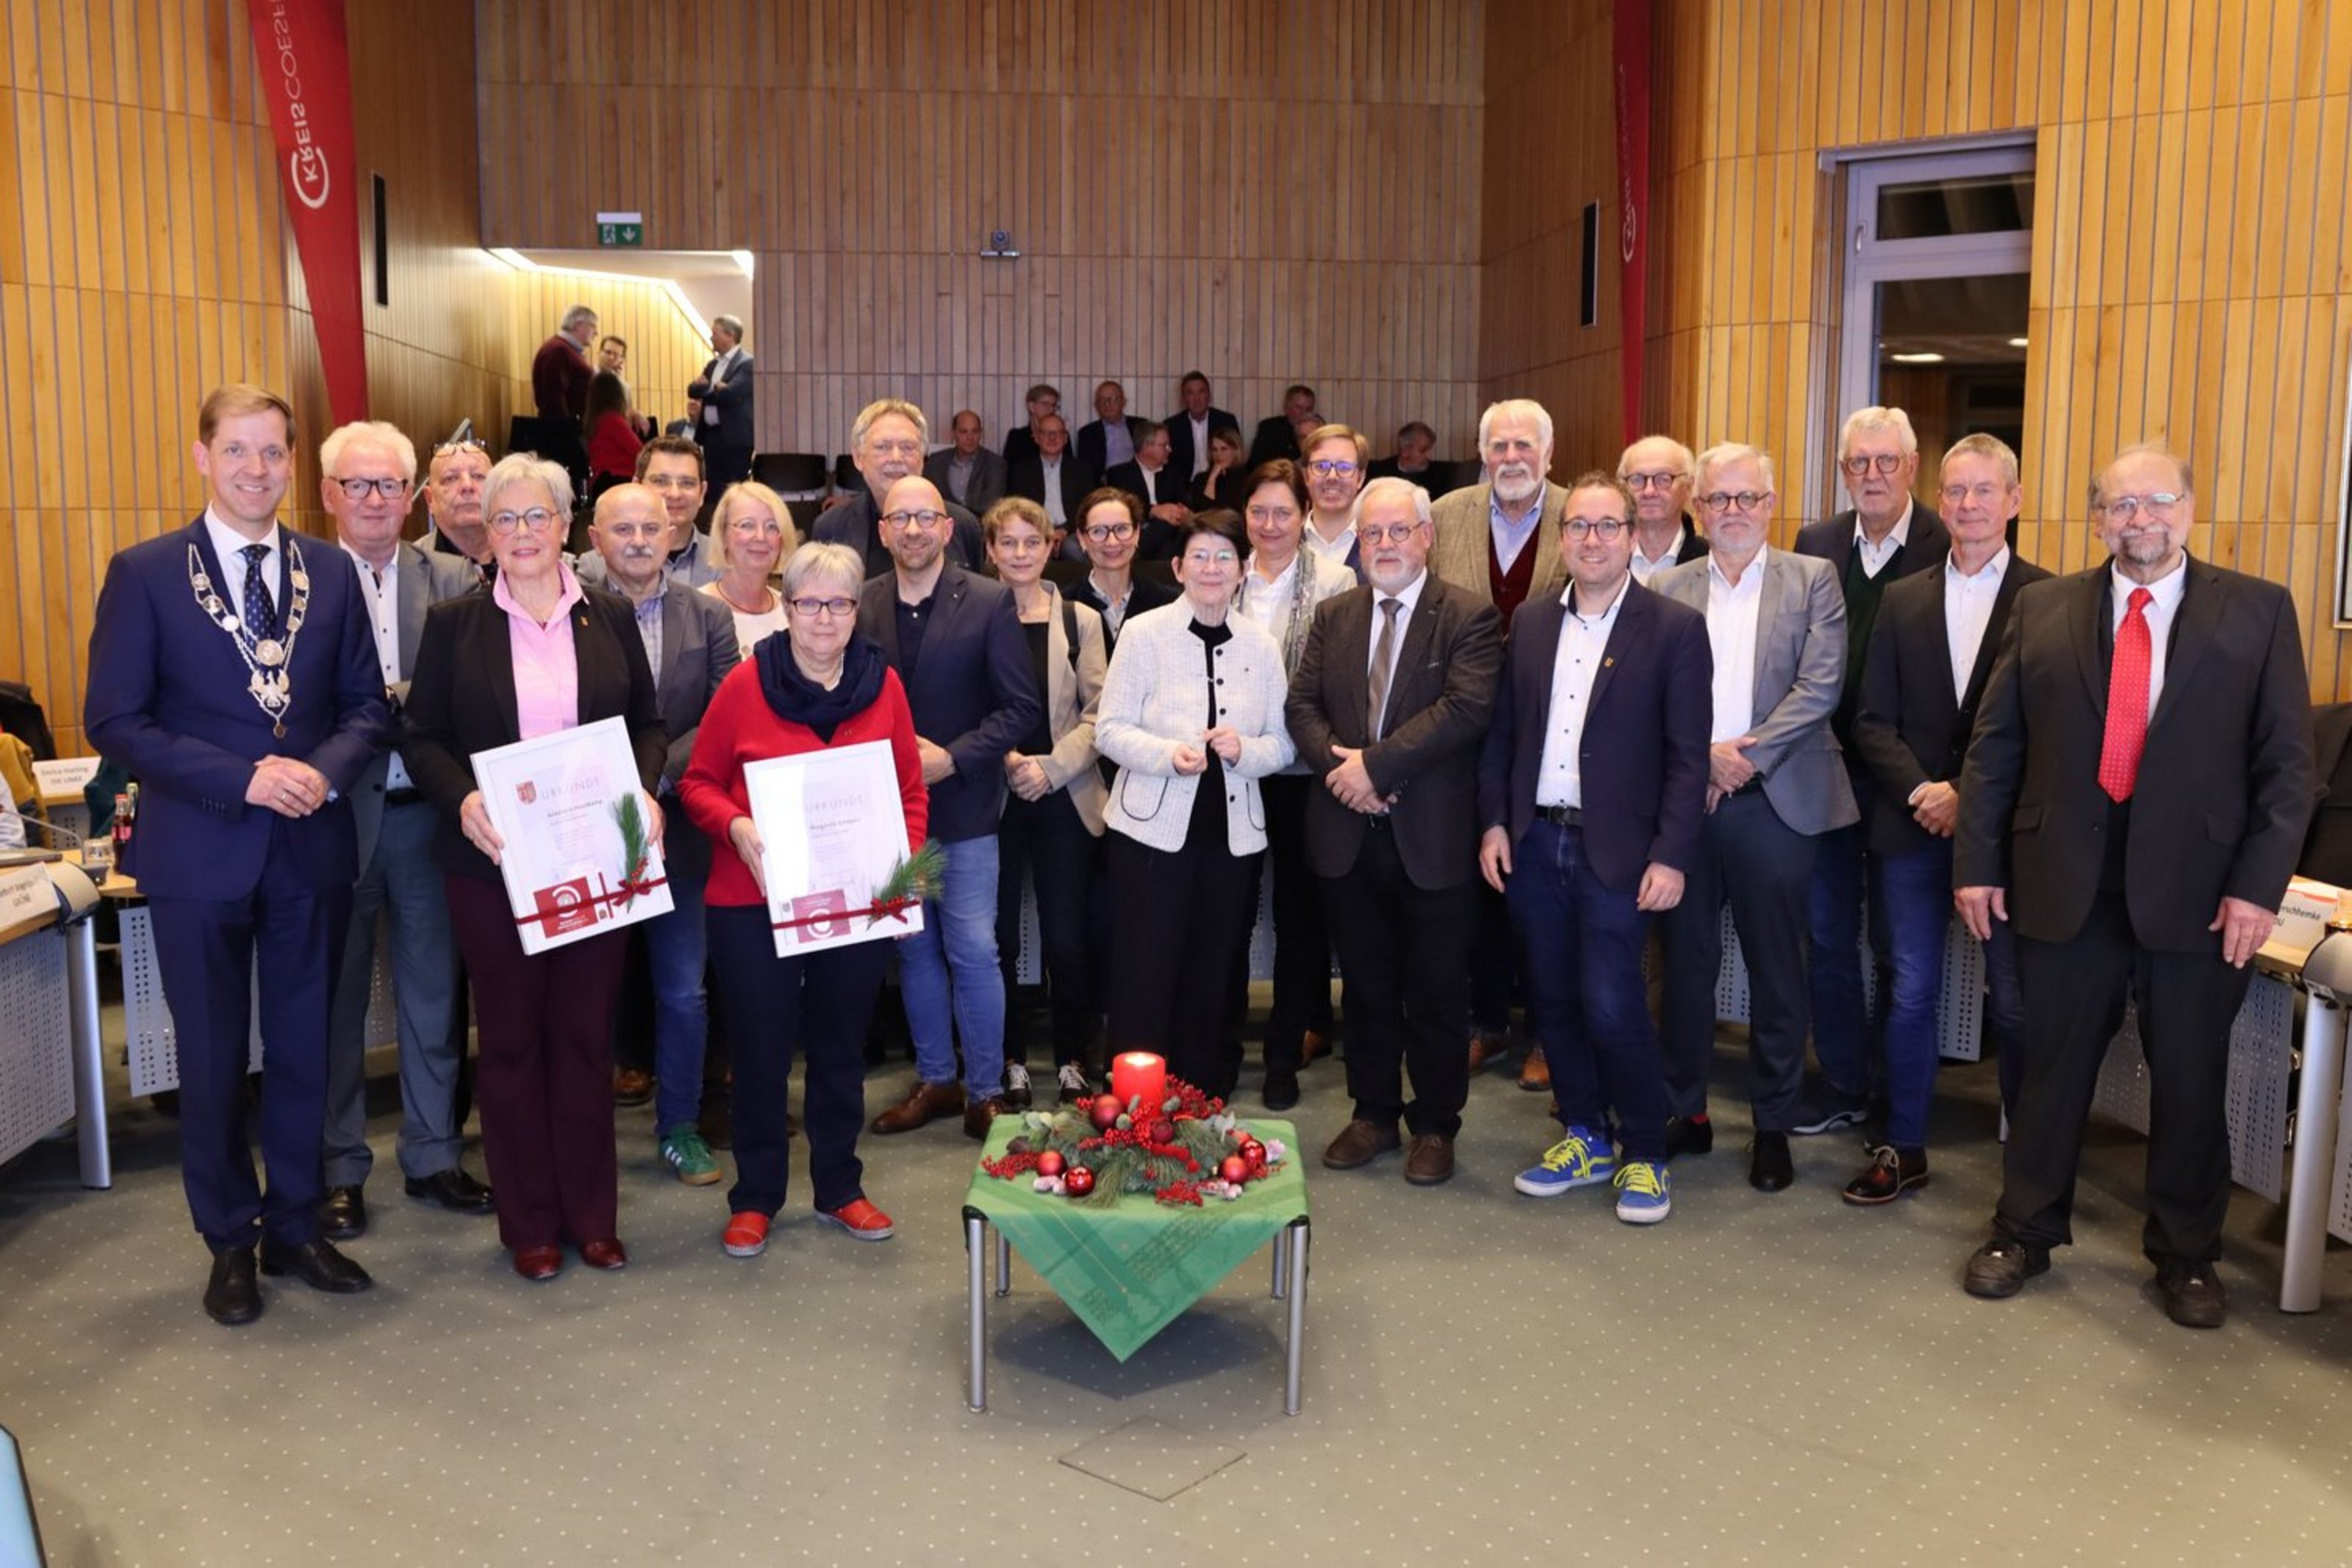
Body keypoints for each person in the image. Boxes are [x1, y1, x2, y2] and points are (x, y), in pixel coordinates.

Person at [1954, 444, 2315, 1328]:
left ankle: (2186, 1255)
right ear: (2094, 518)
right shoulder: (2041, 609)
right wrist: (1974, 863)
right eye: (2119, 506)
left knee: (2191, 1077)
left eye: (2155, 502)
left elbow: (2286, 768)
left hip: (2198, 894)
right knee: (2048, 1070)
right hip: (2062, 881)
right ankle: (2024, 1228)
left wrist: (2256, 890)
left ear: (2187, 508)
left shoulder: (2257, 612)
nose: (2138, 519)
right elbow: (1993, 750)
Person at [85, 384, 390, 1325]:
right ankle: (230, 1240)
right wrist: (244, 778)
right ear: (201, 456)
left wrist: (317, 774)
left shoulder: (331, 575)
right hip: (198, 853)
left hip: (310, 846)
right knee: (213, 1059)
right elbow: (116, 719)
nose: (257, 470)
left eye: (273, 453)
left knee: (305, 1048)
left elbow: (368, 709)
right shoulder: (143, 573)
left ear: (294, 464)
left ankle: (297, 1226)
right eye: (238, 451)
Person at [401, 454, 669, 1283]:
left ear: (564, 526)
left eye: (536, 516)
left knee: (584, 1040)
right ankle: (530, 1225)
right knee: (513, 1044)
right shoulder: (454, 625)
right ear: (487, 531)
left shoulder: (612, 616)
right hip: (494, 866)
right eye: (504, 519)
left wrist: (647, 793)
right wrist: (460, 801)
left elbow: (648, 724)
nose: (520, 533)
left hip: (596, 859)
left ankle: (593, 1217)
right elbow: (421, 737)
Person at [680, 541, 925, 1256]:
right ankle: (756, 1195)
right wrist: (736, 825)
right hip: (749, 901)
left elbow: (909, 792)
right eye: (809, 602)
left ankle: (838, 1186)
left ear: (857, 611)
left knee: (840, 1047)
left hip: (852, 902)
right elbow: (696, 782)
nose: (823, 617)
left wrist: (898, 866)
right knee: (758, 1051)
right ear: (786, 609)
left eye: (839, 603)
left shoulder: (885, 688)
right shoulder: (745, 686)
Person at [1477, 473, 1710, 1223]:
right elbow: (1505, 735)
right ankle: (1585, 1133)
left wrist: (1670, 854)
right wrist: (1494, 823)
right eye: (1577, 525)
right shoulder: (1533, 624)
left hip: (1618, 852)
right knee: (1551, 1002)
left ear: (1632, 534)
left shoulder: (1672, 628)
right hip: (1534, 840)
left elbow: (1686, 757)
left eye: (1605, 525)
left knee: (1612, 1005)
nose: (1590, 539)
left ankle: (1643, 1148)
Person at [1650, 444, 1857, 1191]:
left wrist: (1743, 755)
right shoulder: (1667, 586)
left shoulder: (1813, 579)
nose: (1731, 512)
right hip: (1689, 801)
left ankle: (1772, 1123)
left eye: (1746, 498)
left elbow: (1820, 685)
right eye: (1717, 500)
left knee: (1778, 971)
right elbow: (1656, 692)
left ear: (1771, 504)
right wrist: (1701, 758)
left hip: (1777, 799)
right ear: (1695, 509)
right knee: (1684, 969)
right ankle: (1687, 1113)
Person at [1845, 434, 2043, 1206]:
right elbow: (1869, 719)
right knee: (1907, 988)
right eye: (1954, 491)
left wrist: (1967, 792)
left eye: (1983, 491)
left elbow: (2048, 729)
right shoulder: (1902, 597)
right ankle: (1902, 1144)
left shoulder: (2048, 597)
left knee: (2016, 997)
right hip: (1909, 828)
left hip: (2002, 837)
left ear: (2013, 501)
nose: (1966, 505)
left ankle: (2030, 1158)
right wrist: (1925, 792)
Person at [1288, 477, 1502, 1182]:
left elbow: (1465, 710)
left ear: (1426, 536)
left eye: (1398, 531)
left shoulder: (1468, 616)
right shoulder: (1334, 614)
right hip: (1348, 836)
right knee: (1368, 985)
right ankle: (1373, 1112)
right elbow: (1303, 708)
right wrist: (1341, 771)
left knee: (1438, 990)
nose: (1385, 545)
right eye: (1372, 533)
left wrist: (1374, 768)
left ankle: (1436, 1126)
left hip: (1432, 837)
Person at [318, 419, 492, 1244]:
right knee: (336, 1006)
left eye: (390, 484)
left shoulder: (459, 576)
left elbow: (475, 690)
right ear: (330, 496)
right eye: (359, 485)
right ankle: (338, 1168)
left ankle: (432, 1156)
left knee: (431, 1002)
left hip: (428, 821)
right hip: (331, 823)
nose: (376, 500)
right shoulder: (301, 580)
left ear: (412, 495)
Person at [858, 475, 1041, 1137]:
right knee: (913, 951)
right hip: (884, 814)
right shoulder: (860, 602)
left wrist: (954, 757)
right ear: (883, 531)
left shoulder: (990, 601)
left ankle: (985, 1089)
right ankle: (936, 1080)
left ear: (946, 527)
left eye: (924, 517)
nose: (911, 529)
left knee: (971, 949)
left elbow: (1021, 707)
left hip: (963, 808)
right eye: (898, 517)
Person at [1097, 511, 1297, 1099]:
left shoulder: (1261, 645)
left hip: (1231, 837)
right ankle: (1138, 1096)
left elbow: (1283, 743)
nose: (1212, 569)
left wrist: (1244, 751)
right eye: (1199, 558)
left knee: (1216, 968)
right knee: (1145, 967)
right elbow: (1109, 730)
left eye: (1224, 558)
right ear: (1179, 568)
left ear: (1242, 571)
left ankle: (1202, 1093)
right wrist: (1166, 755)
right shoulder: (1144, 633)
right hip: (1149, 835)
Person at [1793, 406, 1951, 1135]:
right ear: (1841, 470)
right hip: (1822, 773)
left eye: (1885, 461)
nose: (1872, 475)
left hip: (1904, 783)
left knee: (1896, 950)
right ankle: (1842, 1082)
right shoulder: (1815, 542)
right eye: (1858, 462)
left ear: (1911, 466)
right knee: (1826, 938)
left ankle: (1896, 1093)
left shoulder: (1943, 542)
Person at [585, 481, 741, 1187]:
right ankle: (580, 1131)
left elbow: (724, 713)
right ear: (595, 539)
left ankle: (679, 1126)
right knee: (586, 990)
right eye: (624, 529)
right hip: (586, 828)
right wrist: (616, 787)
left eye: (652, 528)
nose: (641, 541)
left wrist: (648, 780)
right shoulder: (564, 611)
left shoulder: (708, 616)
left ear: (673, 534)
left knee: (683, 990)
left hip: (679, 827)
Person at [1430, 398, 1575, 1090]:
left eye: (1525, 446)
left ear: (1550, 453)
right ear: (1482, 452)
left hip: (1553, 732)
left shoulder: (1582, 514)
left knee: (1542, 885)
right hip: (1461, 732)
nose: (1511, 458)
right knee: (1475, 888)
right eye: (1499, 446)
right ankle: (1484, 1022)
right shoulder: (1446, 513)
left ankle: (1547, 1033)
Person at [1234, 460, 1356, 1109]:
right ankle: (1224, 1048)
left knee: (1298, 921)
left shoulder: (1336, 580)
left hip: (1304, 774)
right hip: (1233, 774)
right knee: (1229, 913)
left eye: (1284, 512)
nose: (1271, 525)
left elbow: (1335, 684)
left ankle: (1285, 1053)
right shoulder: (1224, 575)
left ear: (1302, 513)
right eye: (1259, 513)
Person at [982, 497, 1110, 1107]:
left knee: (1068, 937)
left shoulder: (1081, 620)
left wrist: (1050, 768)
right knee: (997, 937)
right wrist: (1007, 760)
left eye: (1030, 542)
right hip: (995, 792)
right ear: (990, 551)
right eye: (1007, 543)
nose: (1019, 554)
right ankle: (1007, 1059)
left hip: (1064, 791)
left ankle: (1071, 1059)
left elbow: (1100, 714)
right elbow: (968, 706)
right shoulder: (975, 616)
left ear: (1050, 546)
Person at [814, 398, 984, 576]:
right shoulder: (831, 527)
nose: (896, 458)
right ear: (858, 458)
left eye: (908, 447)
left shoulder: (963, 525)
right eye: (883, 447)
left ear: (923, 459)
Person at [578, 436, 722, 591]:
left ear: (702, 493)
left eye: (687, 483)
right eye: (661, 481)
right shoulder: (596, 566)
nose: (675, 494)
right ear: (637, 486)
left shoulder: (726, 562)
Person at [1065, 487, 1176, 659]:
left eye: (1122, 529)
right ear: (1081, 538)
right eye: (1099, 531)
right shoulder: (1063, 606)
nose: (1112, 542)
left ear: (1137, 533)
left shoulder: (1168, 604)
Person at [703, 481, 796, 652]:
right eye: (747, 525)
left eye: (772, 527)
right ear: (723, 535)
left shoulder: (793, 613)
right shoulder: (696, 610)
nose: (761, 537)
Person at [1617, 434, 1710, 583]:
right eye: (1637, 479)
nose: (1649, 491)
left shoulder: (1709, 561)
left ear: (1689, 487)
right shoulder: (1602, 557)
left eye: (1663, 479)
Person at [687, 313, 755, 492]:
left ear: (730, 335)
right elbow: (692, 390)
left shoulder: (747, 363)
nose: (711, 338)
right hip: (710, 436)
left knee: (732, 489)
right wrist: (716, 387)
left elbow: (731, 394)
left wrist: (709, 388)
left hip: (734, 439)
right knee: (711, 487)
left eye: (715, 333)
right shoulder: (713, 365)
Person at [531, 305, 598, 483]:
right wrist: (571, 436)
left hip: (567, 431)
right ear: (578, 325)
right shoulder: (558, 351)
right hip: (562, 436)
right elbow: (554, 399)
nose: (596, 332)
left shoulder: (564, 350)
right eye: (593, 326)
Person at [1006, 412, 1097, 541]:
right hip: (1035, 531)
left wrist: (1065, 530)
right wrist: (1044, 531)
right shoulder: (1022, 471)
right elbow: (1018, 507)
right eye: (1046, 433)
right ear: (1036, 437)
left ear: (1066, 438)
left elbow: (1088, 507)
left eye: (1058, 433)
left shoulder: (1082, 469)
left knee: (1074, 550)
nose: (1052, 438)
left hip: (1072, 532)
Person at [1300, 424, 1371, 581]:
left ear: (1360, 478)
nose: (1332, 476)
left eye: (1344, 467)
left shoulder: (1379, 544)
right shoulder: (1284, 541)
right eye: (1321, 466)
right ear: (1306, 476)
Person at [420, 435, 495, 582]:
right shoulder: (406, 570)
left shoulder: (532, 554)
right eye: (451, 478)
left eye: (478, 476)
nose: (467, 486)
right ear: (430, 500)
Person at [1102, 421, 1191, 545]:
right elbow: (1123, 509)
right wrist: (1154, 511)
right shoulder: (1119, 474)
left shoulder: (1174, 473)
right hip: (1134, 532)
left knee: (1166, 530)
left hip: (1169, 532)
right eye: (1164, 445)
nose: (1170, 450)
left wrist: (1183, 512)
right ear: (1146, 447)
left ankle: (1135, 557)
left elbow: (1184, 502)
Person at [923, 410, 1010, 517]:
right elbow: (926, 498)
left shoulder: (995, 464)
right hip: (941, 525)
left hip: (980, 528)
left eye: (975, 431)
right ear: (953, 433)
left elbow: (992, 505)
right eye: (964, 432)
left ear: (981, 434)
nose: (970, 438)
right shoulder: (936, 462)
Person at [582, 369, 643, 510]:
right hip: (620, 481)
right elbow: (639, 451)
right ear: (617, 395)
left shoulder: (594, 421)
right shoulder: (613, 420)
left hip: (601, 482)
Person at [1164, 371, 1240, 481]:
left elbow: (1236, 457)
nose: (1196, 399)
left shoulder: (1226, 421)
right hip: (1185, 486)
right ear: (1184, 398)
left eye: (1201, 392)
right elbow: (1169, 464)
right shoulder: (1172, 425)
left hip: (1220, 482)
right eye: (1190, 393)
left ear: (1209, 396)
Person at [1076, 380, 1148, 476]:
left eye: (1113, 399)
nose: (1107, 404)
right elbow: (1085, 470)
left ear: (1123, 402)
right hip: (1105, 485)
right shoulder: (1087, 433)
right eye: (1102, 400)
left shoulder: (1141, 425)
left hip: (1138, 481)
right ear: (1097, 405)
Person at [1368, 421, 1455, 497]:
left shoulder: (1440, 475)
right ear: (1405, 452)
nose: (1429, 456)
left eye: (1430, 449)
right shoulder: (1380, 473)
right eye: (1423, 451)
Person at [1184, 425, 1251, 514]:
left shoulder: (1246, 478)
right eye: (1214, 450)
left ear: (1236, 451)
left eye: (1224, 449)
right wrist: (1212, 480)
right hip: (1206, 526)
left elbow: (1233, 512)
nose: (1219, 454)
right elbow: (1203, 512)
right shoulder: (1200, 479)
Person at [1250, 384, 1318, 466]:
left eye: (1308, 409)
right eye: (1299, 407)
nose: (1304, 413)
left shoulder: (1318, 429)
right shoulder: (1270, 428)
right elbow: (1258, 462)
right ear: (1286, 407)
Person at [1000, 384, 1062, 470]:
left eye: (1054, 405)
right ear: (1031, 406)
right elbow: (1009, 470)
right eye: (1046, 404)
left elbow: (1069, 467)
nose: (1051, 410)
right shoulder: (1017, 437)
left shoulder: (1061, 435)